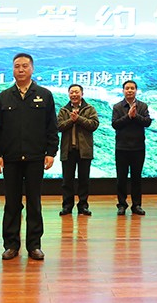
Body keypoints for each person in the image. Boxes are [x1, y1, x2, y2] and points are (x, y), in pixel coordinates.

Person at [0, 53, 58, 261]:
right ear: (12, 69)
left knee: (34, 203)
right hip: (10, 158)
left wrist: (51, 152)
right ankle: (11, 245)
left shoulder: (44, 95)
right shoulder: (4, 97)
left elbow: (51, 126)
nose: (20, 70)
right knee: (11, 203)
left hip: (35, 157)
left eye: (25, 66)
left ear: (32, 69)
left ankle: (34, 245)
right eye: (17, 66)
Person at [111, 80, 152, 216]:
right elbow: (115, 124)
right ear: (123, 91)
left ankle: (137, 205)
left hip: (138, 148)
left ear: (136, 90)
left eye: (132, 88)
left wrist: (136, 116)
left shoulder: (142, 106)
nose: (129, 90)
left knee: (136, 178)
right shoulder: (117, 107)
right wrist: (128, 116)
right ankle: (122, 204)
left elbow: (147, 122)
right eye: (127, 88)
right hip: (122, 147)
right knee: (121, 178)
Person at [57, 84, 99, 216]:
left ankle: (83, 206)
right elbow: (59, 126)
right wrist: (71, 120)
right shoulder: (64, 110)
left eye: (76, 92)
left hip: (84, 150)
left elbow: (94, 125)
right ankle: (67, 206)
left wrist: (78, 119)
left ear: (82, 94)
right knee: (67, 181)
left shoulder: (89, 109)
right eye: (71, 92)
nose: (74, 94)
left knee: (84, 180)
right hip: (68, 150)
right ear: (68, 94)